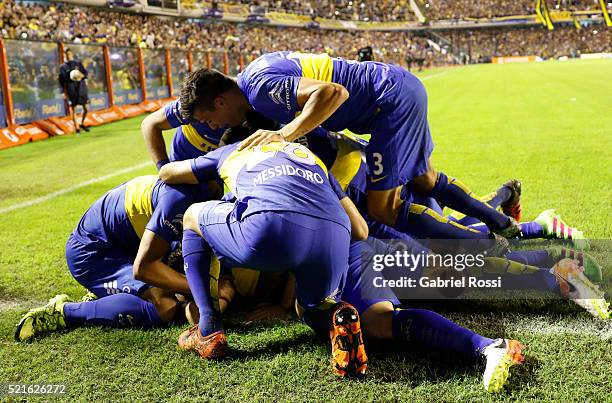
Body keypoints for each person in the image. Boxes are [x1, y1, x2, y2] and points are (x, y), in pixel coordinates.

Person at [172, 56, 522, 248]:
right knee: (425, 180)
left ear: (220, 101)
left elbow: (333, 92)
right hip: (399, 87)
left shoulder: (259, 89)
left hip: (388, 103)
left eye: (210, 119)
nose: (215, 127)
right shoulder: (257, 75)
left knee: (382, 209)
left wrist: (283, 134)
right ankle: (502, 223)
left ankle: (483, 242)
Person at [159, 139, 371, 377]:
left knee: (191, 216)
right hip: (335, 233)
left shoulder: (235, 149)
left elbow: (168, 173)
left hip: (270, 227)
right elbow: (361, 230)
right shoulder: (309, 156)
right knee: (311, 308)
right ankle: (337, 314)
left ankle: (208, 331)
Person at [14, 175, 213, 341]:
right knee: (165, 306)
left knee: (180, 283)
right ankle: (64, 312)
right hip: (92, 254)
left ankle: (110, 294)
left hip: (125, 247)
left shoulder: (196, 186)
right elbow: (143, 268)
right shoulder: (180, 198)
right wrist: (203, 290)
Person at [58, 48, 90, 133]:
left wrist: (80, 75)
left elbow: (85, 74)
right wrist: (63, 92)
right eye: (67, 55)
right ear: (65, 55)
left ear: (72, 54)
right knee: (74, 109)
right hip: (71, 89)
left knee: (86, 108)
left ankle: (82, 123)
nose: (69, 56)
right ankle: (77, 129)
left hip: (81, 87)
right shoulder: (63, 67)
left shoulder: (78, 63)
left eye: (70, 54)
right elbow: (62, 80)